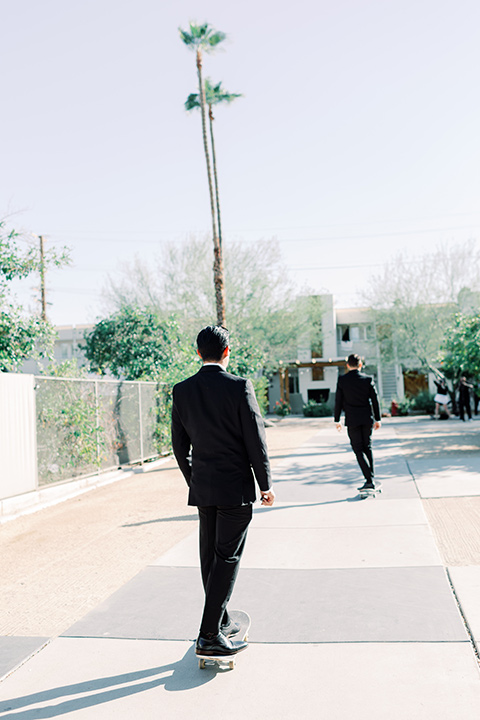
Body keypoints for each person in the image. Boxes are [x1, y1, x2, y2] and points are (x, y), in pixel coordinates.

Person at [171, 325, 275, 660]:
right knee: (227, 558)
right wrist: (265, 484)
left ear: (198, 353)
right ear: (227, 351)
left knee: (209, 557)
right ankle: (209, 635)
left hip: (204, 488)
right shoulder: (240, 387)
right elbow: (254, 440)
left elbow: (178, 446)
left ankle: (221, 619)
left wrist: (194, 480)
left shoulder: (182, 390)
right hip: (235, 489)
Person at [334, 354, 381, 491]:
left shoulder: (343, 380)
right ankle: (370, 478)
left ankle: (369, 480)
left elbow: (338, 401)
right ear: (360, 365)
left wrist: (337, 420)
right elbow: (375, 400)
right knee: (367, 447)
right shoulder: (368, 379)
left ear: (348, 365)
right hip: (367, 418)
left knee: (358, 449)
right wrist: (377, 418)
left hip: (352, 419)